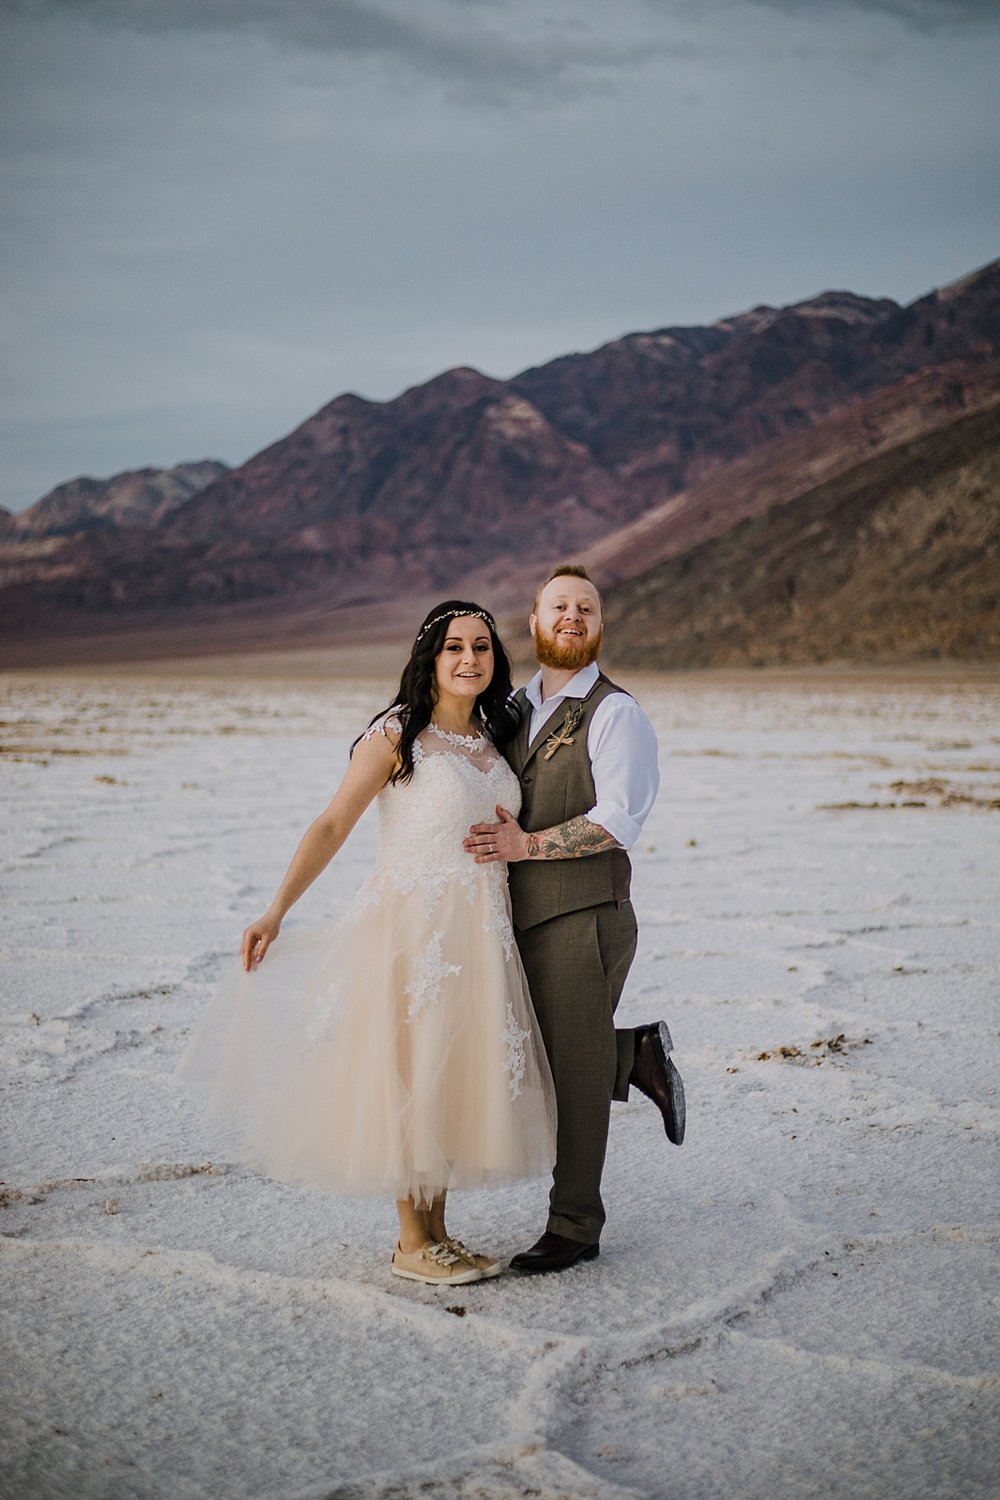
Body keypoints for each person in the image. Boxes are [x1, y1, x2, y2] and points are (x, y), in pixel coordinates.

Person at [175, 603, 556, 1287]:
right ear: (429, 659)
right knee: (411, 1072)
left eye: (482, 648)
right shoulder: (397, 735)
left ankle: (438, 1232)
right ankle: (411, 1242)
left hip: (480, 933)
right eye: (453, 648)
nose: (470, 660)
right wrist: (276, 910)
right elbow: (332, 824)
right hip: (414, 932)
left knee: (451, 1076)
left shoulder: (494, 739)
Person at [464, 564, 685, 1273]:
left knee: (575, 1074)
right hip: (511, 914)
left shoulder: (617, 714)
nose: (572, 616)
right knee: (525, 1049)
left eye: (585, 607)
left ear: (598, 625)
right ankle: (635, 1055)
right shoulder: (511, 708)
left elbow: (618, 820)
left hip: (583, 914)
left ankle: (575, 1225)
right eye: (558, 605)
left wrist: (527, 846)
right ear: (531, 622)